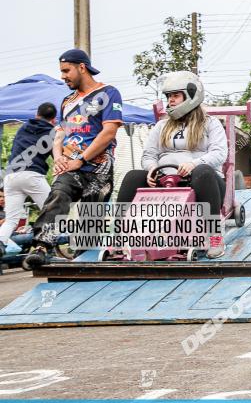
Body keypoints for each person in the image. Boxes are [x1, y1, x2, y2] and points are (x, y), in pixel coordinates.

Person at [24, 50, 124, 269]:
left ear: (82, 67)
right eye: (61, 71)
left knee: (90, 225)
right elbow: (59, 134)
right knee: (58, 194)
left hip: (99, 168)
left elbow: (109, 132)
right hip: (71, 166)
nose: (63, 76)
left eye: (66, 70)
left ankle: (85, 260)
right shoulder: (67, 101)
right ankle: (41, 247)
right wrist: (59, 157)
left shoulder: (108, 93)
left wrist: (81, 158)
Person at [116, 71, 228, 258]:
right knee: (133, 176)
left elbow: (219, 154)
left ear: (191, 95)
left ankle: (214, 235)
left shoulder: (210, 123)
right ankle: (120, 237)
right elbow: (149, 155)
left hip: (201, 181)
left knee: (204, 172)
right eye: (169, 96)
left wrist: (194, 163)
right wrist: (151, 169)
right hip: (165, 180)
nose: (171, 101)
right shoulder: (161, 126)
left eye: (175, 95)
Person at [0, 103, 57, 258]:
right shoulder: (52, 132)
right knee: (52, 212)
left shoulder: (23, 127)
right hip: (32, 175)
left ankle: (0, 242)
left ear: (37, 114)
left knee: (11, 219)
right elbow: (56, 156)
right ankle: (45, 248)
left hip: (11, 177)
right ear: (54, 119)